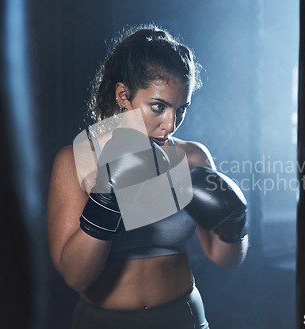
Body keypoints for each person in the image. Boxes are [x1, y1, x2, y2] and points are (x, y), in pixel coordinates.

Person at [47, 24, 249, 329]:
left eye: (181, 109)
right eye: (158, 107)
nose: (170, 124)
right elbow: (75, 276)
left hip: (183, 317)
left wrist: (234, 223)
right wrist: (108, 197)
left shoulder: (194, 157)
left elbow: (226, 259)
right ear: (123, 96)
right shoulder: (76, 159)